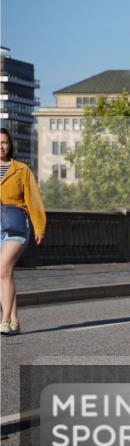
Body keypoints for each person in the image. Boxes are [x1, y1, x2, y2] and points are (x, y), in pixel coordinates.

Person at [0, 128, 45, 336]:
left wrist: (39, 226)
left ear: (10, 145)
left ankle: (5, 319)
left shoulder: (21, 169)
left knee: (3, 270)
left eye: (4, 142)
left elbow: (33, 199)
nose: (1, 146)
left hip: (16, 224)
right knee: (5, 274)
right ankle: (15, 320)